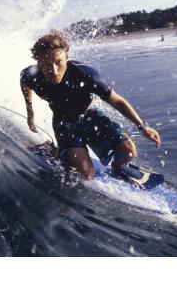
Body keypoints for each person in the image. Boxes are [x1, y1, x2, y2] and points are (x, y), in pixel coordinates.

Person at [20, 30, 161, 180]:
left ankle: (117, 167)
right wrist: (30, 112)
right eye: (46, 65)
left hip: (91, 116)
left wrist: (142, 126)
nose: (53, 70)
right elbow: (24, 82)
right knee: (86, 175)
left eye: (58, 62)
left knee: (129, 152)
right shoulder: (31, 75)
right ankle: (53, 152)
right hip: (64, 124)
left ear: (66, 57)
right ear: (38, 63)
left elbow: (117, 101)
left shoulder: (86, 75)